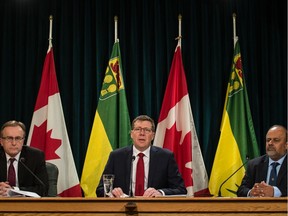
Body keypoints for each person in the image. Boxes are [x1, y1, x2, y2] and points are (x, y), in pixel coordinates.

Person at [96, 115, 187, 197]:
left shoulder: (166, 157)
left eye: (147, 130)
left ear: (153, 136)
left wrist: (160, 193)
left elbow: (181, 190)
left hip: (154, 210)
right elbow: (100, 189)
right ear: (131, 134)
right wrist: (112, 192)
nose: (142, 133)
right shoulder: (116, 156)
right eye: (138, 129)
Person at [0, 120, 48, 197]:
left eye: (18, 138)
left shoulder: (36, 156)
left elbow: (42, 189)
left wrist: (13, 190)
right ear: (1, 141)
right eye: (9, 138)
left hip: (27, 205)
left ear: (23, 141)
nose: (14, 143)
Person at [237, 125, 287, 197]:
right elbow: (241, 190)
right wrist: (251, 192)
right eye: (268, 140)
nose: (270, 143)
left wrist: (275, 192)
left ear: (286, 145)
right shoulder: (254, 164)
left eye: (276, 140)